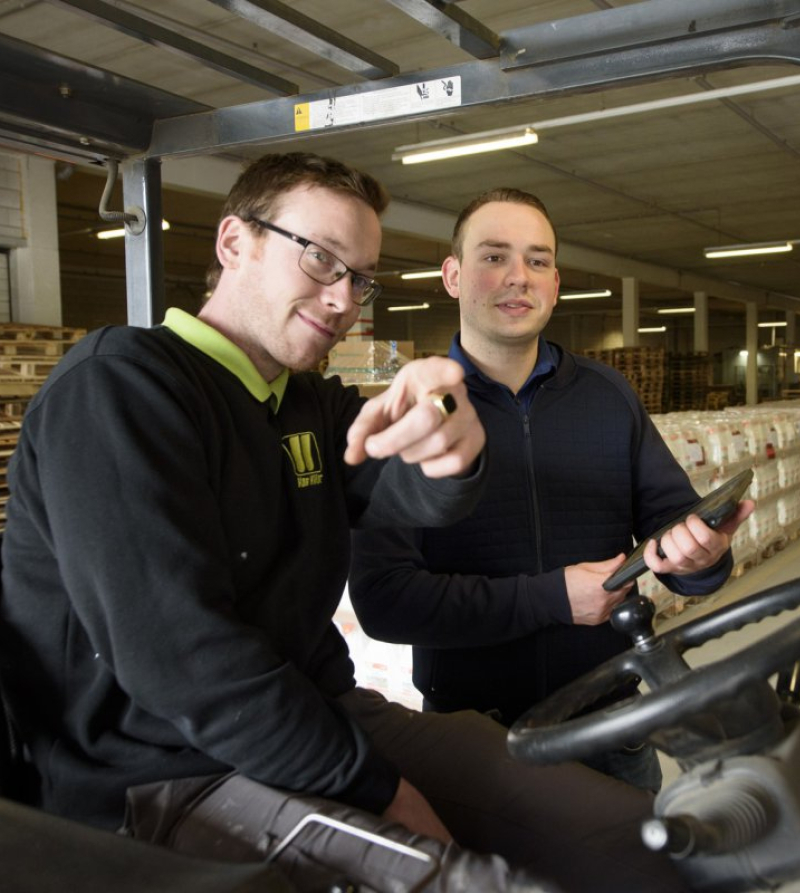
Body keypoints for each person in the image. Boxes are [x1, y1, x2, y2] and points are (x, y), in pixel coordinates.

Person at [0, 157, 689, 893]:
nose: (341, 298)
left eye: (360, 277)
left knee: (636, 839)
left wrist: (450, 449)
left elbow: (403, 493)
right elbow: (186, 662)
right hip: (155, 772)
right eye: (321, 259)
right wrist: (378, 789)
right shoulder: (122, 388)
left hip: (320, 712)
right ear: (235, 242)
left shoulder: (308, 406)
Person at [349, 187, 754, 795]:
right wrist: (550, 599)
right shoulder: (411, 418)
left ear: (556, 282)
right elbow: (384, 601)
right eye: (494, 257)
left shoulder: (607, 397)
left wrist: (703, 558)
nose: (519, 276)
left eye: (537, 260)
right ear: (453, 276)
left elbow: (674, 528)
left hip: (612, 727)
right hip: (475, 738)